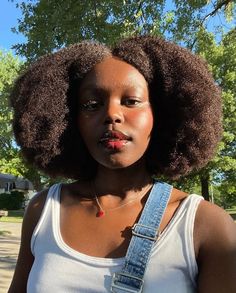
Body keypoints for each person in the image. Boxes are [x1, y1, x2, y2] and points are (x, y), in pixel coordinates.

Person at [8, 36, 236, 293]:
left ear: (159, 114)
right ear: (70, 121)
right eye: (92, 105)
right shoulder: (42, 210)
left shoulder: (206, 225)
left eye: (131, 101)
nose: (112, 115)